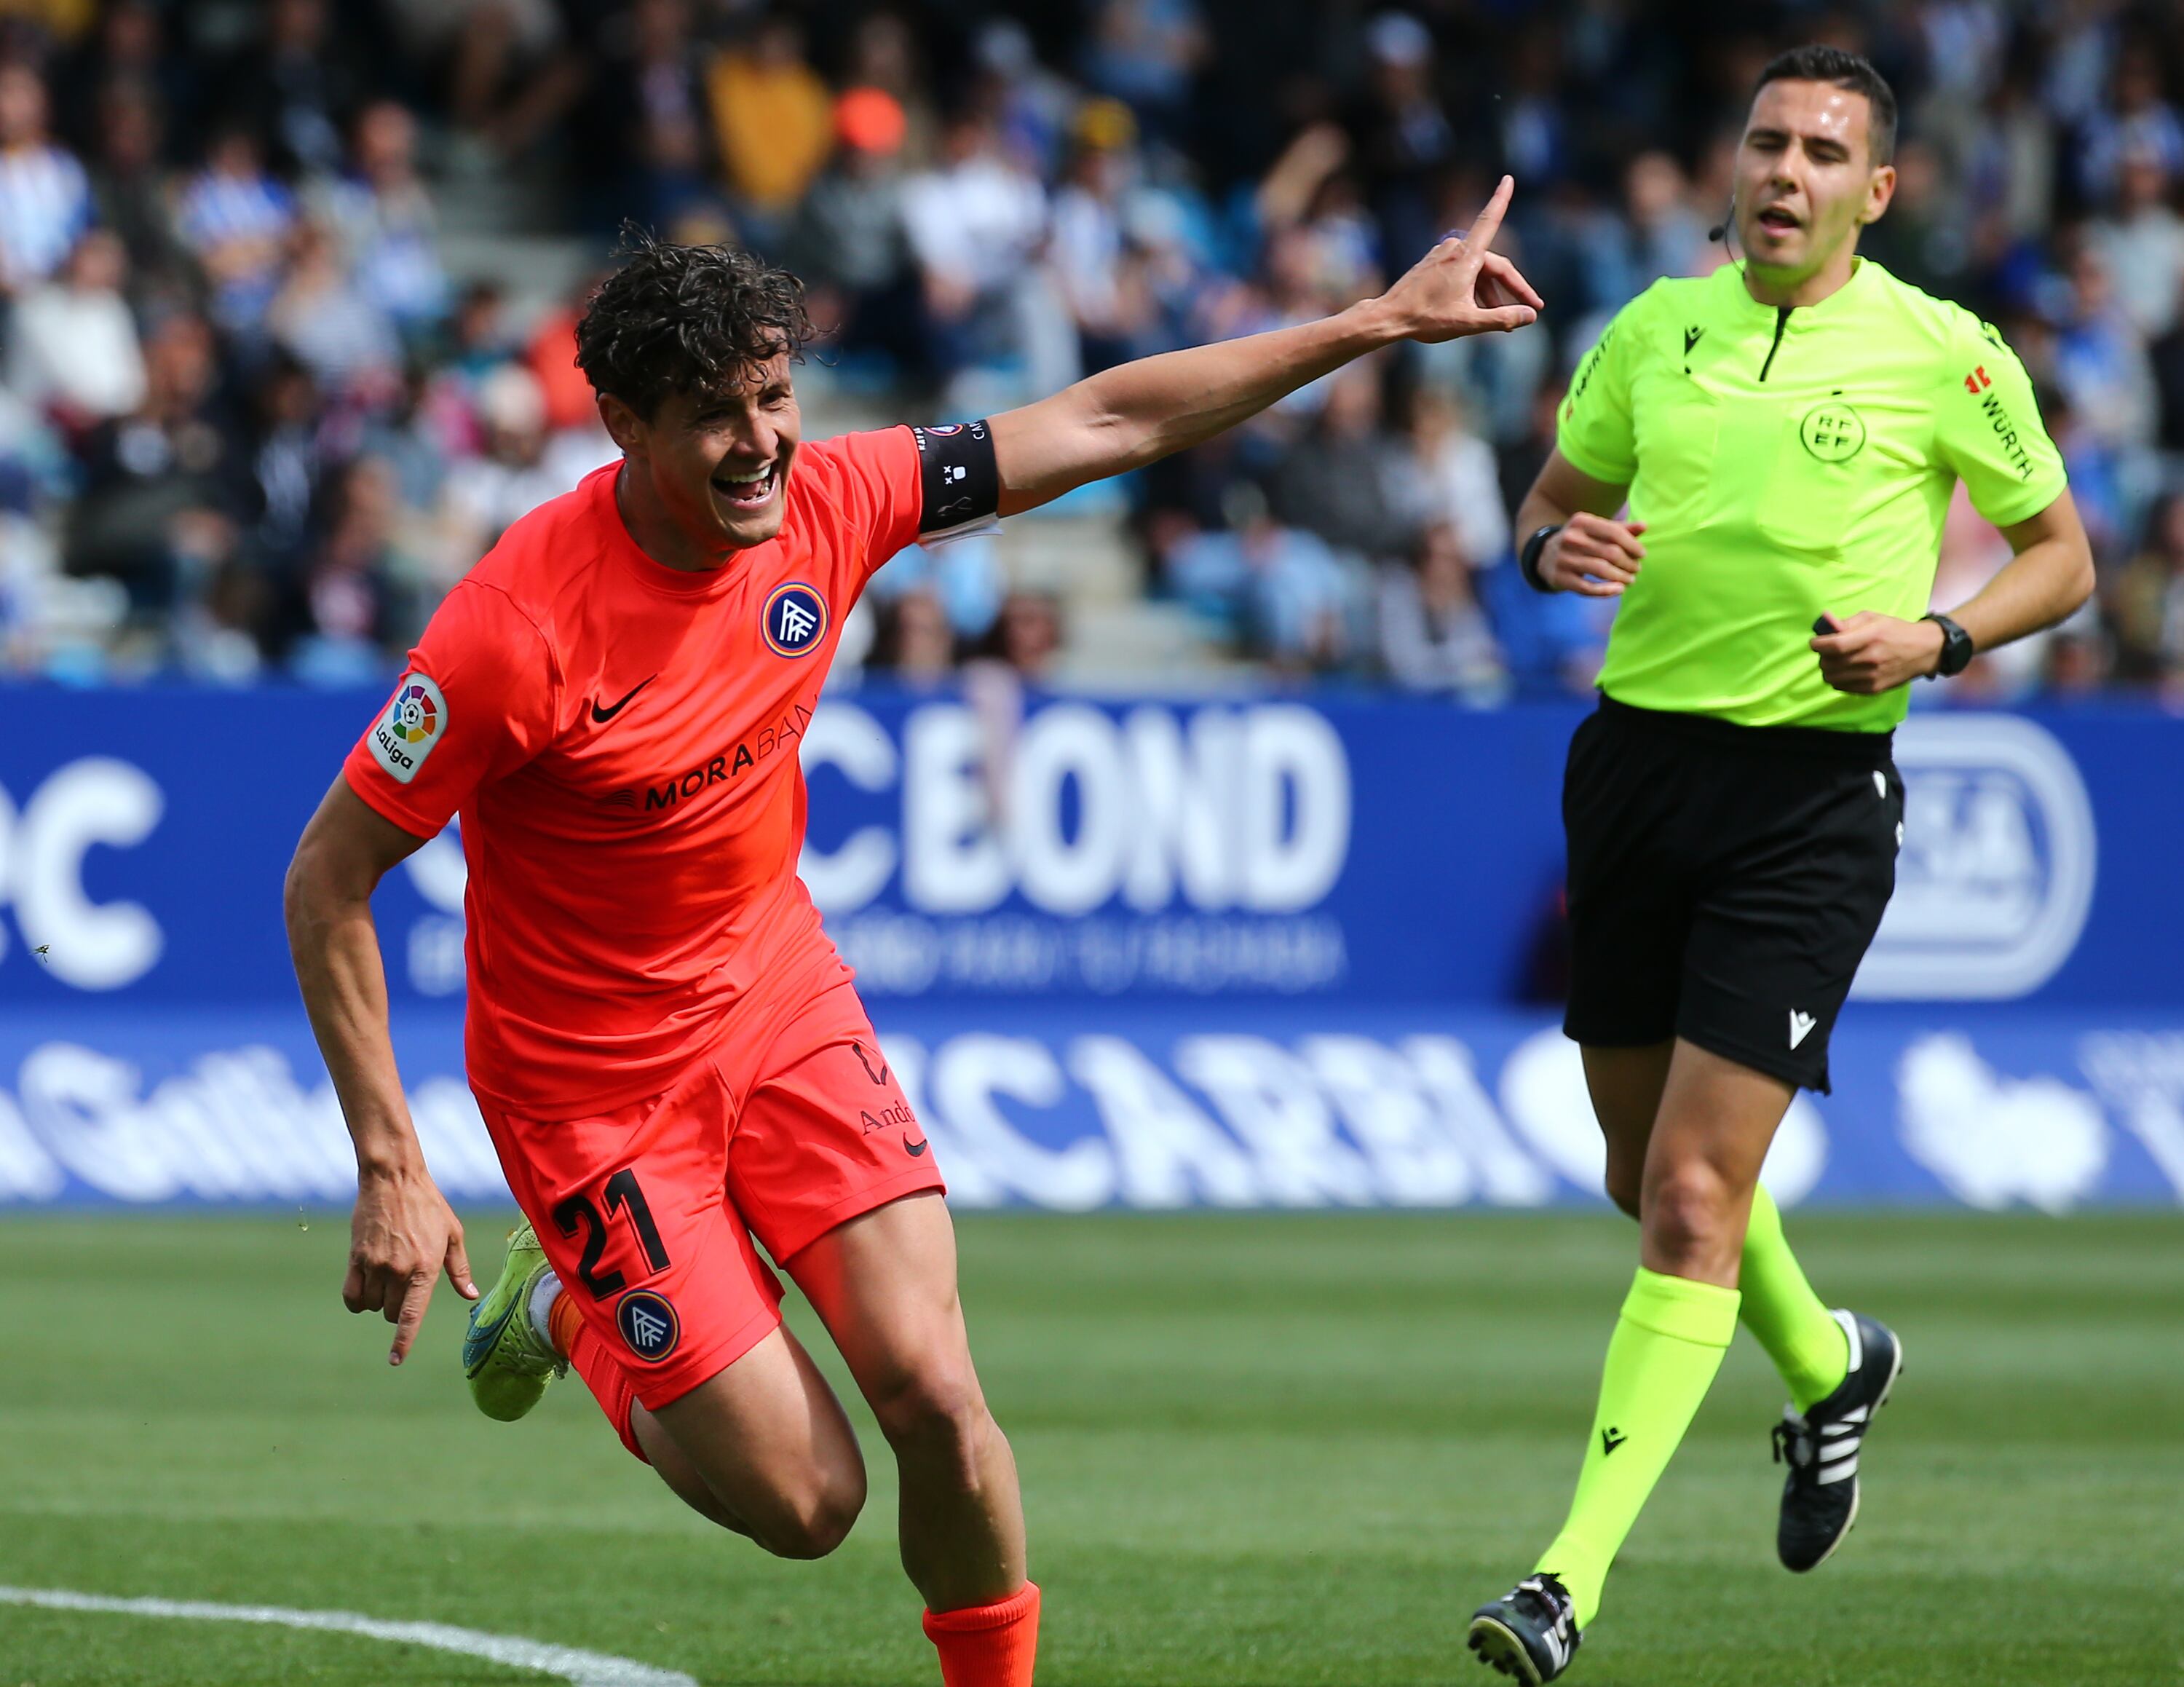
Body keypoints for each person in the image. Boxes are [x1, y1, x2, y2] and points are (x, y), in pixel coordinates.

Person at [283, 195, 1540, 1687]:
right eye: (713, 416)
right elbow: (328, 879)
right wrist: (391, 1161)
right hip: (593, 1101)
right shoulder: (511, 630)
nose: (761, 444)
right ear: (620, 423)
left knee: (940, 1396)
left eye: (774, 396)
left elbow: (1110, 416)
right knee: (810, 1504)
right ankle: (561, 1303)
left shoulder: (834, 497)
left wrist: (1372, 323)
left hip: (777, 1001)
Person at [1468, 47, 2093, 1683]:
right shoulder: (1652, 330)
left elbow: (2065, 558)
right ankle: (1828, 1366)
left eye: (1822, 151)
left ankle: (1561, 1582)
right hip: (1634, 774)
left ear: (1875, 191)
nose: (1784, 172)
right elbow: (1546, 506)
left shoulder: (1946, 352)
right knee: (1644, 1176)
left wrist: (1939, 637)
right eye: (1765, 142)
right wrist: (1550, 547)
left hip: (1810, 803)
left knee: (1691, 1197)